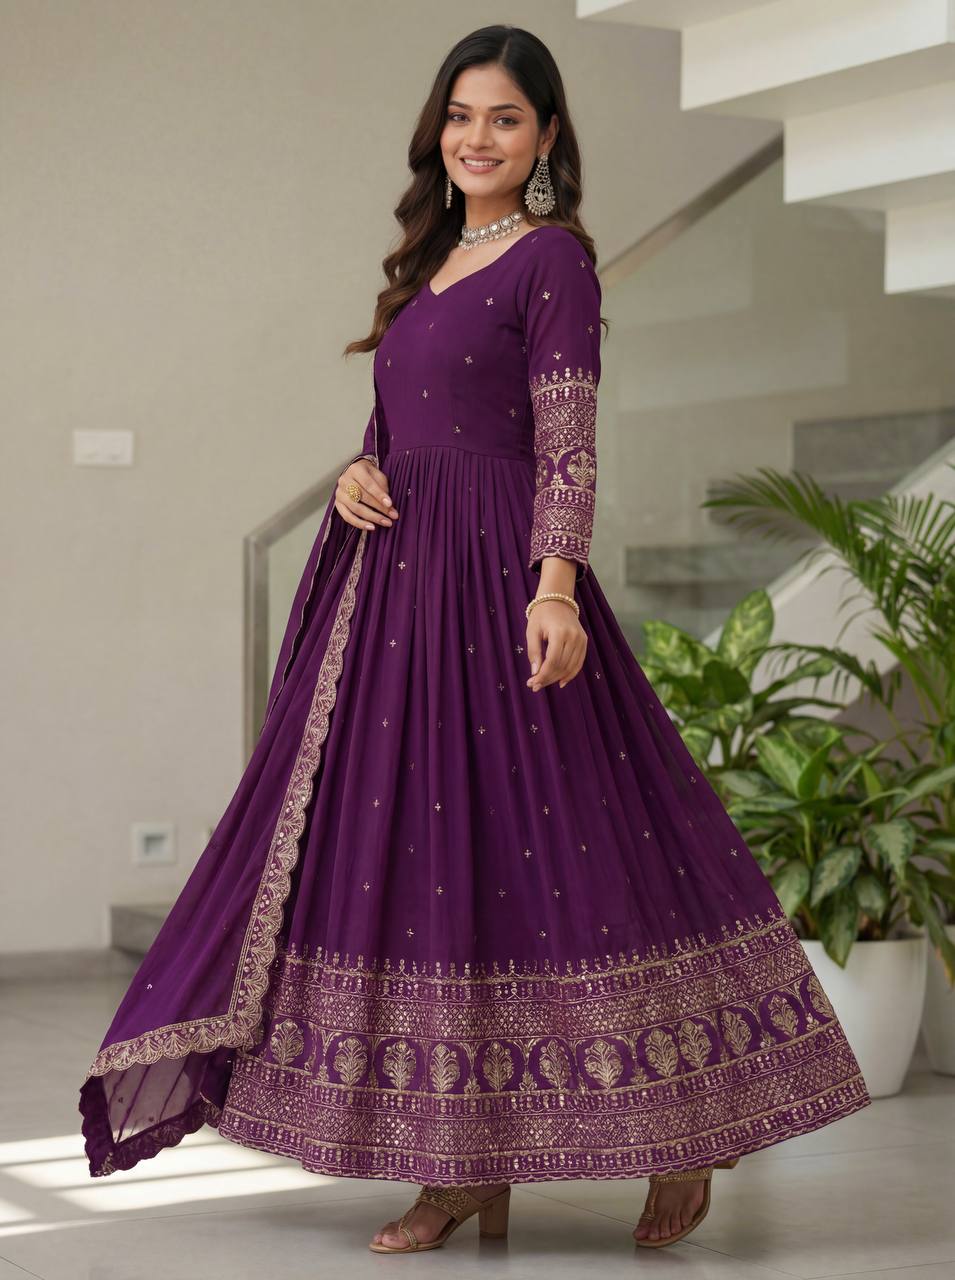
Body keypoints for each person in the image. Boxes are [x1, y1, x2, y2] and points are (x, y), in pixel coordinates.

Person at [79, 23, 871, 1254]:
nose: (476, 137)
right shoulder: (428, 265)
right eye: (460, 115)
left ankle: (682, 1126)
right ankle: (455, 1164)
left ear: (545, 137)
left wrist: (553, 589)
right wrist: (359, 470)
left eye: (504, 117)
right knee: (423, 858)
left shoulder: (554, 262)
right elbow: (398, 422)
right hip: (396, 595)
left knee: (577, 842)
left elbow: (568, 440)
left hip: (500, 581)